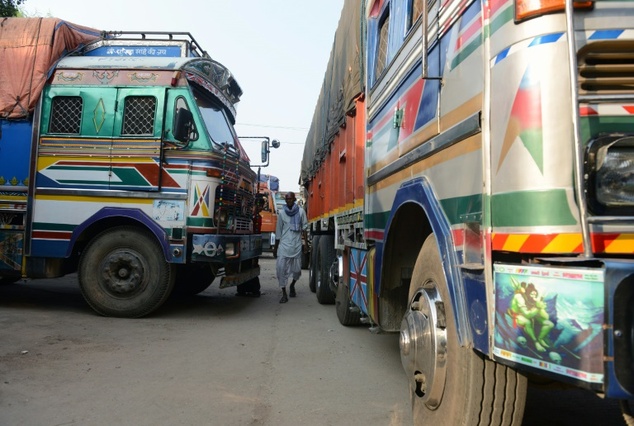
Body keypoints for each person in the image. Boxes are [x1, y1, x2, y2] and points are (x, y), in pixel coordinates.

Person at [272, 191, 308, 303]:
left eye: (290, 199)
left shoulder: (301, 212)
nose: (288, 201)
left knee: (297, 271)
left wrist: (306, 244)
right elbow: (278, 231)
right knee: (281, 270)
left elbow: (304, 228)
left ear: (294, 199)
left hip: (296, 245)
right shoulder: (282, 213)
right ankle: (284, 293)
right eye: (287, 199)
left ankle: (292, 285)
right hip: (284, 246)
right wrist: (275, 247)